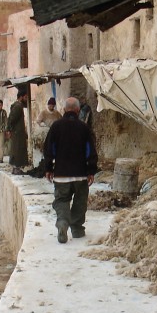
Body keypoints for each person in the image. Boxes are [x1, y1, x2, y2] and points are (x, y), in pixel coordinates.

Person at [43, 96, 98, 243]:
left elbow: (49, 149)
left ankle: (62, 223)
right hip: (80, 175)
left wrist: (48, 168)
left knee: (61, 200)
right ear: (78, 110)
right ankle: (77, 229)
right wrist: (91, 171)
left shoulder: (56, 126)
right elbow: (90, 151)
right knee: (80, 201)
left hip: (61, 175)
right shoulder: (84, 127)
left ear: (64, 109)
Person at [6, 91, 30, 172]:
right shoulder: (18, 106)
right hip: (17, 133)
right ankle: (16, 168)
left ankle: (18, 168)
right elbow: (11, 119)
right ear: (21, 97)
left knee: (18, 149)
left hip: (18, 132)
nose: (26, 99)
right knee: (17, 150)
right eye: (25, 97)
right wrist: (9, 129)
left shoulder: (18, 106)